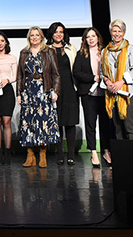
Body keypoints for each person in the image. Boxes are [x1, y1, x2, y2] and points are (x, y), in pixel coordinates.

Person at [16, 26, 60, 168]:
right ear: (29, 38)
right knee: (28, 122)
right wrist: (19, 93)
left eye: (37, 35)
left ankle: (42, 154)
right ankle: (30, 155)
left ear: (41, 37)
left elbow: (56, 74)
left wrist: (56, 91)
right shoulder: (24, 52)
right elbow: (20, 75)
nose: (34, 37)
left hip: (43, 89)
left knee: (43, 122)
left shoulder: (49, 52)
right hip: (28, 90)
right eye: (32, 35)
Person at [72, 27, 109, 168]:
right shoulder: (81, 54)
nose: (91, 39)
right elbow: (76, 73)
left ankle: (106, 151)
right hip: (88, 94)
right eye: (88, 37)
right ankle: (93, 152)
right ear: (85, 40)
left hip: (105, 93)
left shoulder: (105, 52)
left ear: (98, 37)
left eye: (93, 36)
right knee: (90, 124)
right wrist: (93, 78)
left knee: (105, 124)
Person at [101, 19, 133, 140]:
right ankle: (121, 152)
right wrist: (108, 82)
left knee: (129, 127)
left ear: (124, 33)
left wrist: (121, 82)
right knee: (117, 128)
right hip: (112, 94)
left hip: (127, 94)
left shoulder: (130, 49)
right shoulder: (105, 51)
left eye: (120, 31)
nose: (117, 34)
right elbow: (102, 72)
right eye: (114, 31)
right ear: (110, 32)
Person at [47, 22, 79, 165]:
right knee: (57, 121)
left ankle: (71, 154)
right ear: (51, 34)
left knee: (70, 121)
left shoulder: (71, 48)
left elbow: (76, 68)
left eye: (61, 32)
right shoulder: (46, 49)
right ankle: (59, 153)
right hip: (54, 89)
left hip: (70, 88)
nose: (58, 34)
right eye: (56, 32)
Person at [0, 31, 16, 165]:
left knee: (6, 121)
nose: (0, 43)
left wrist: (7, 80)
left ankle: (7, 151)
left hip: (7, 90)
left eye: (2, 41)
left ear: (6, 42)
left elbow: (16, 76)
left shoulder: (12, 58)